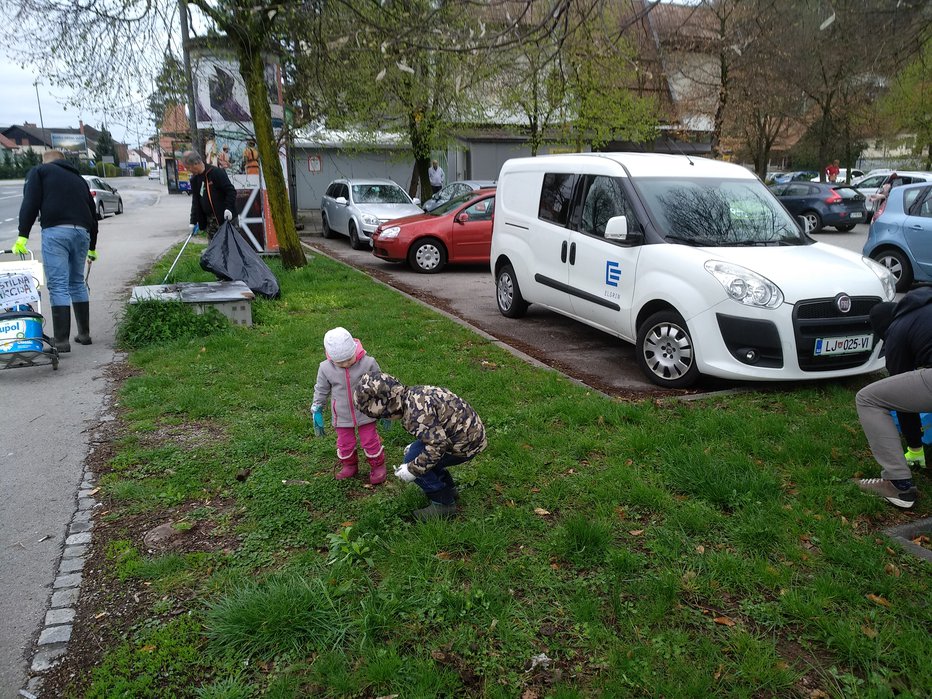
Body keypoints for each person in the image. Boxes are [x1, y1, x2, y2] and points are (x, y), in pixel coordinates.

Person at [354, 371, 487, 521]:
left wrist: (412, 470)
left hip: (465, 446)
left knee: (415, 462)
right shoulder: (413, 395)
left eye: (383, 416)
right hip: (467, 433)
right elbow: (435, 430)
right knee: (416, 454)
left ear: (390, 410)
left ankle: (443, 503)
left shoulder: (415, 417)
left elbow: (437, 446)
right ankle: (449, 489)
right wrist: (416, 445)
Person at [852, 290, 932, 509]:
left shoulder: (896, 330)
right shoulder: (923, 307)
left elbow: (903, 403)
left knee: (868, 398)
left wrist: (915, 447)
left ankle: (898, 484)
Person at [13, 150, 98, 353]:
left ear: (46, 161)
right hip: (82, 232)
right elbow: (93, 215)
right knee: (77, 282)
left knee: (58, 284)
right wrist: (93, 247)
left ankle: (61, 341)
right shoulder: (79, 180)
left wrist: (22, 235)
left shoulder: (40, 172)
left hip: (56, 232)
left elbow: (30, 203)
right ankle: (84, 334)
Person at [312, 327, 387, 484]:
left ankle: (378, 466)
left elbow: (380, 384)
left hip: (366, 412)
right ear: (330, 357)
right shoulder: (325, 368)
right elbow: (321, 389)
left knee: (369, 440)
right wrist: (317, 407)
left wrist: (385, 405)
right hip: (342, 414)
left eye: (349, 359)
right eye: (340, 362)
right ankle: (350, 465)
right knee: (344, 442)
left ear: (355, 350)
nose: (346, 364)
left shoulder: (368, 363)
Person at [183, 150, 236, 239]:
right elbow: (195, 201)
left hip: (225, 218)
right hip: (210, 222)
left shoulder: (216, 173)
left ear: (195, 163)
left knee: (230, 248)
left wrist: (229, 208)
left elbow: (231, 191)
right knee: (213, 249)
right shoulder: (195, 180)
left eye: (189, 168)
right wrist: (193, 222)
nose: (189, 171)